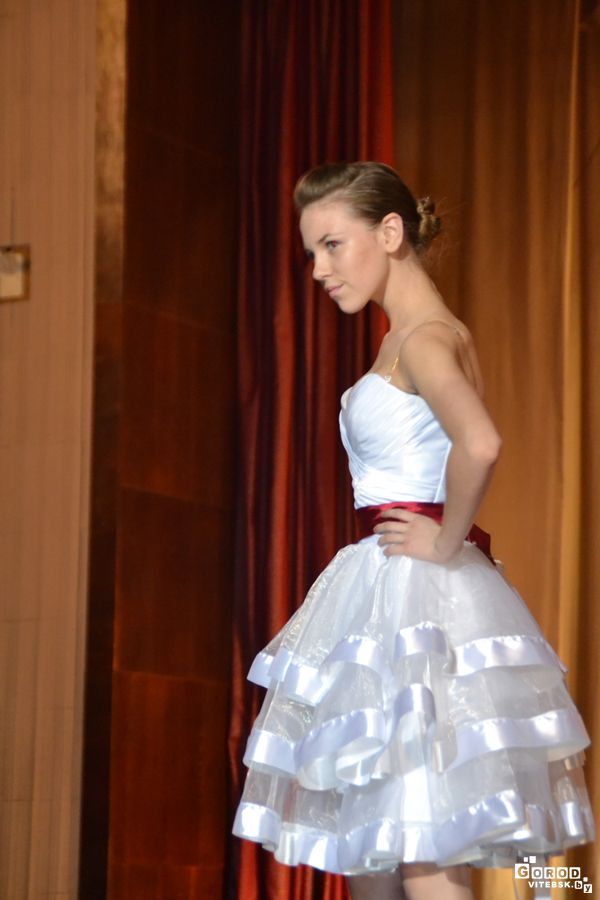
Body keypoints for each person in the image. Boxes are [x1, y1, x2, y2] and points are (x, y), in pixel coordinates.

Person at [232, 162, 595, 899]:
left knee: (422, 840)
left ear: (391, 232)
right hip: (397, 594)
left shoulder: (424, 340)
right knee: (381, 838)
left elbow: (480, 442)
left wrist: (445, 539)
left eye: (332, 245)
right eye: (312, 252)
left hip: (415, 600)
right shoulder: (413, 338)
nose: (318, 270)